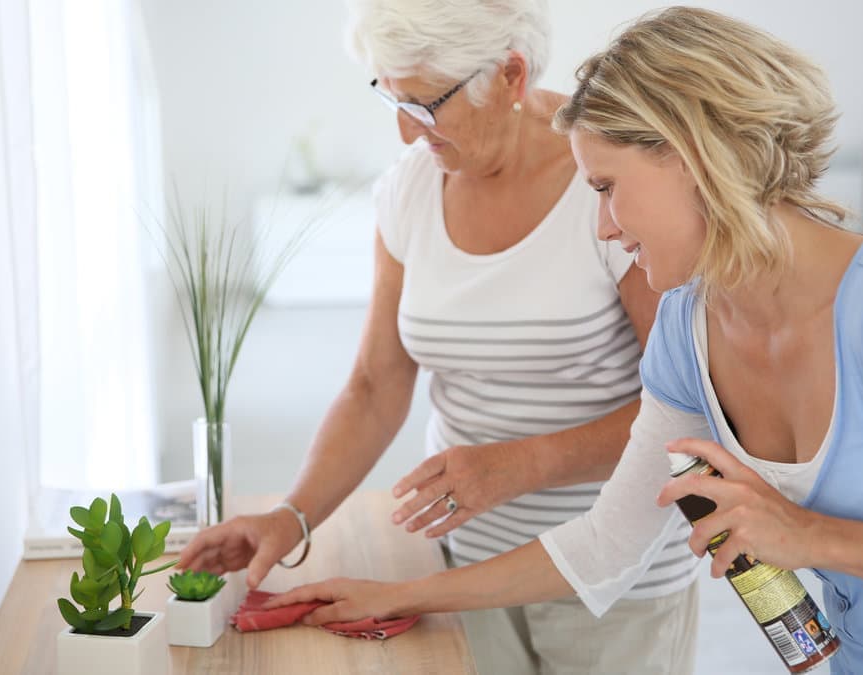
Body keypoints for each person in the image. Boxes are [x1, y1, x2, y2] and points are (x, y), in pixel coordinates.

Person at [265, 7, 863, 675]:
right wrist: (397, 594)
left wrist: (808, 536)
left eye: (607, 187)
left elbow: (802, 538)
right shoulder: (690, 328)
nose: (602, 225)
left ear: (692, 159)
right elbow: (607, 542)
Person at [177, 1, 702, 672]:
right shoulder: (410, 191)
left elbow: (684, 409)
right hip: (463, 563)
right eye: (392, 100)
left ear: (510, 76)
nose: (404, 133)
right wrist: (290, 517)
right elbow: (375, 384)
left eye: (425, 105)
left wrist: (524, 463)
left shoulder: (607, 184)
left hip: (614, 578)